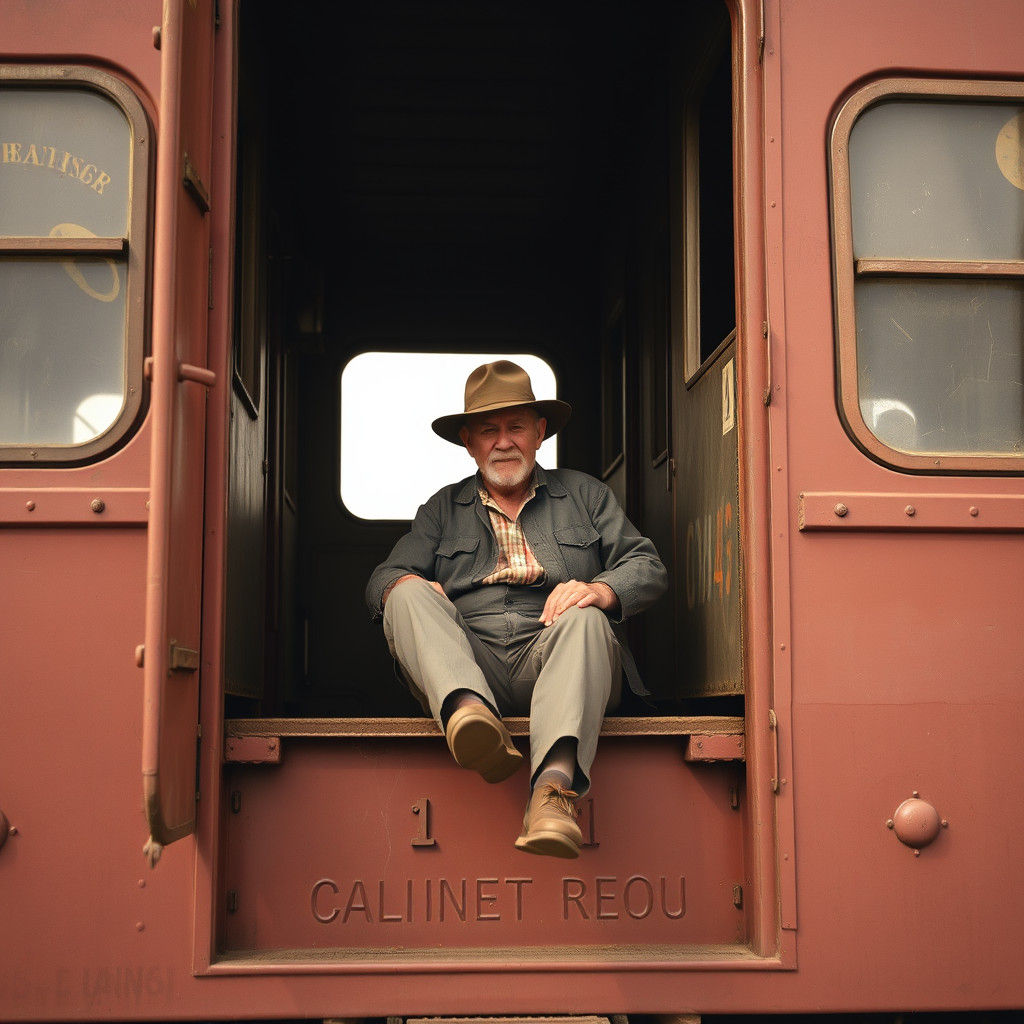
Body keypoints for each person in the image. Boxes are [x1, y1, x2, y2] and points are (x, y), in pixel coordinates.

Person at [366, 360, 667, 858]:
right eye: (488, 430)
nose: (503, 442)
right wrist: (412, 585)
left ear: (540, 432)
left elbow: (647, 565)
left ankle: (552, 795)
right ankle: (469, 719)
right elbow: (380, 578)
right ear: (468, 441)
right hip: (469, 661)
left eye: (516, 427)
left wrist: (600, 591)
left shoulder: (586, 495)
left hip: (559, 654)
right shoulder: (440, 509)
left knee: (587, 619)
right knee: (403, 591)